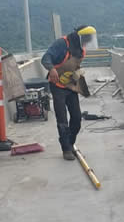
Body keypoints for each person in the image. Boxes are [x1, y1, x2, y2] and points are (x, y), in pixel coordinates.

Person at [41, 26, 98, 160]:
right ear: (79, 37)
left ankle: (71, 142)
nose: (87, 43)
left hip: (70, 84)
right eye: (85, 40)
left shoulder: (81, 48)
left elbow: (75, 65)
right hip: (57, 85)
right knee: (62, 119)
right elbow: (45, 58)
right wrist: (51, 69)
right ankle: (66, 149)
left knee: (77, 118)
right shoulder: (62, 44)